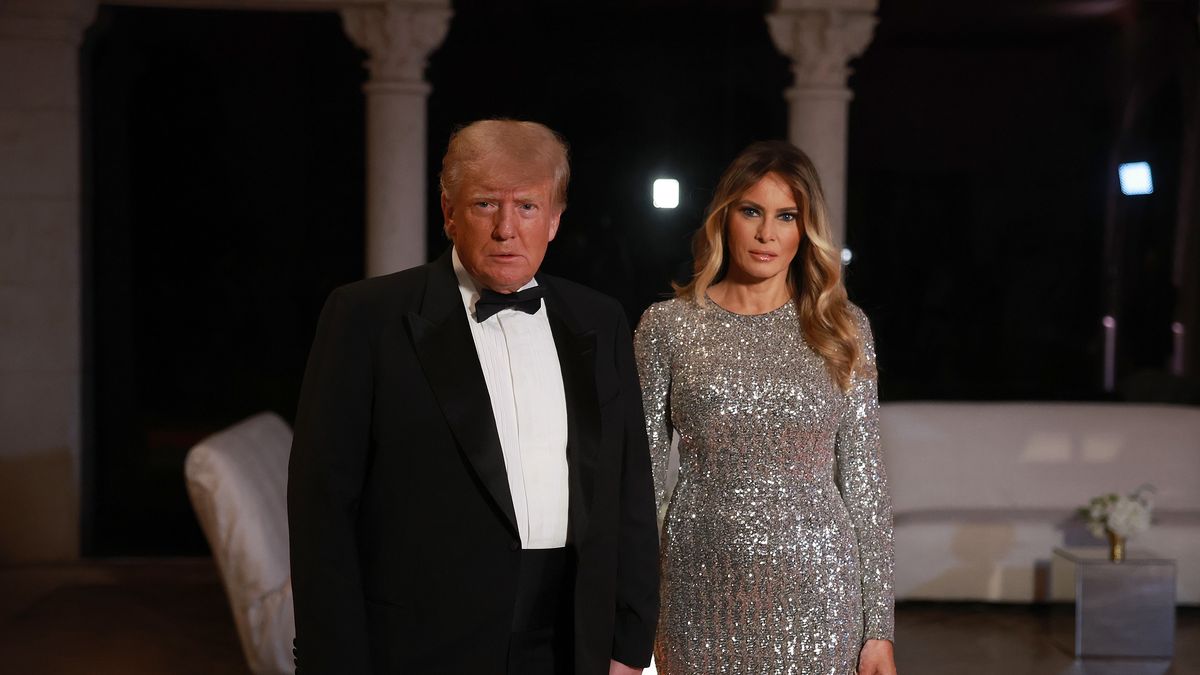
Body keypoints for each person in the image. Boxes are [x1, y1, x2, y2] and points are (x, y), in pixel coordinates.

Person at [288, 119, 659, 675]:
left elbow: (627, 486)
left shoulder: (599, 320)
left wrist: (629, 644)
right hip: (419, 643)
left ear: (555, 219)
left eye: (528, 207)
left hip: (572, 640)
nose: (507, 228)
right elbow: (322, 511)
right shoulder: (366, 318)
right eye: (486, 204)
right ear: (448, 212)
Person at [634, 141, 897, 675]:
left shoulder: (842, 329)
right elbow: (640, 482)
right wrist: (634, 612)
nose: (766, 233)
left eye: (786, 216)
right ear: (724, 216)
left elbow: (865, 483)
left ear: (805, 229)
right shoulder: (667, 327)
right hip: (696, 588)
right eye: (751, 211)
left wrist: (879, 632)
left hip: (820, 591)